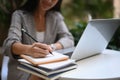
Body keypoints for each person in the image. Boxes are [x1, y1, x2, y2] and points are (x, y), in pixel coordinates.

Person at [2, 0, 74, 80]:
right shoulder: (19, 15)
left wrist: (51, 47)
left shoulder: (56, 16)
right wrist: (29, 50)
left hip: (48, 68)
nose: (49, 1)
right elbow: (9, 44)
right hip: (22, 71)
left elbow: (69, 39)